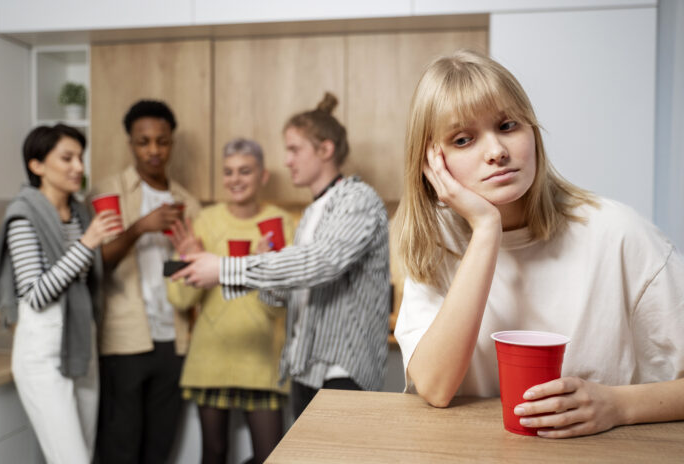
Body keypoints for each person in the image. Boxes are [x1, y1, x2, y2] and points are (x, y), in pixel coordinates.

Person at [392, 49, 684, 438]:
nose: (496, 151)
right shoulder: (435, 244)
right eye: (463, 139)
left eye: (508, 125)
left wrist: (618, 405)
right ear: (432, 163)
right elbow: (436, 387)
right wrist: (485, 229)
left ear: (532, 131)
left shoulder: (621, 235)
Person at [172, 93, 391, 420]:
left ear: (325, 149)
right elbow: (291, 293)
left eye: (294, 149)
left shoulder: (355, 199)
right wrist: (271, 278)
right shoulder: (312, 212)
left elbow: (322, 263)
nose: (287, 160)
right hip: (306, 368)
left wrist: (225, 268)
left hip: (343, 369)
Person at [0, 124, 121, 463]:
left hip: (81, 345)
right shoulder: (23, 217)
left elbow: (81, 278)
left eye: (80, 157)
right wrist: (87, 244)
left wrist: (94, 242)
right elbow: (35, 293)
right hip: (43, 354)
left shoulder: (80, 214)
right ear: (36, 165)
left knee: (84, 455)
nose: (78, 167)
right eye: (67, 158)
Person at [166, 137, 295, 464]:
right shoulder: (206, 221)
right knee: (214, 453)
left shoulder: (282, 223)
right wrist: (189, 260)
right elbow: (180, 299)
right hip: (211, 358)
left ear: (263, 175)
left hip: (263, 359)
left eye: (245, 171)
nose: (235, 179)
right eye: (228, 172)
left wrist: (264, 270)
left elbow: (282, 303)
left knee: (272, 456)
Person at [90, 100, 201, 463]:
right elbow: (95, 266)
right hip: (124, 341)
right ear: (131, 144)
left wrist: (189, 254)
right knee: (120, 447)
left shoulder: (187, 202)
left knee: (159, 448)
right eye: (144, 141)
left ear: (172, 143)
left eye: (162, 141)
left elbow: (190, 278)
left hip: (174, 339)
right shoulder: (110, 193)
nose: (154, 150)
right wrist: (140, 227)